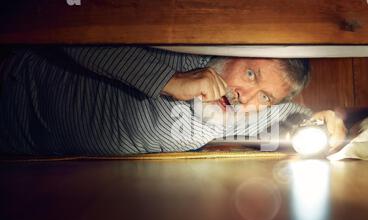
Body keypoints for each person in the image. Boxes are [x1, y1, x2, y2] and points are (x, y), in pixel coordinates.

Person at [0, 46, 346, 155]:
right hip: (15, 96)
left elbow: (301, 114)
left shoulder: (256, 108)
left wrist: (325, 119)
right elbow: (71, 38)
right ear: (231, 55)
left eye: (265, 96)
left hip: (30, 157)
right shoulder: (184, 59)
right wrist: (169, 80)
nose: (246, 98)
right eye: (251, 74)